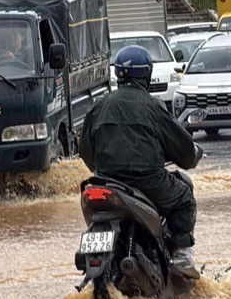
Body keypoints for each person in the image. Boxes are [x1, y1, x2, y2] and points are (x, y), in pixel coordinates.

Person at [80, 45, 202, 274]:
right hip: (149, 183)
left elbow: (86, 152)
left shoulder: (99, 106)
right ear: (147, 74)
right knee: (185, 197)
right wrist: (194, 153)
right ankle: (182, 256)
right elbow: (185, 153)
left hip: (105, 183)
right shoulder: (153, 107)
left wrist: (104, 170)